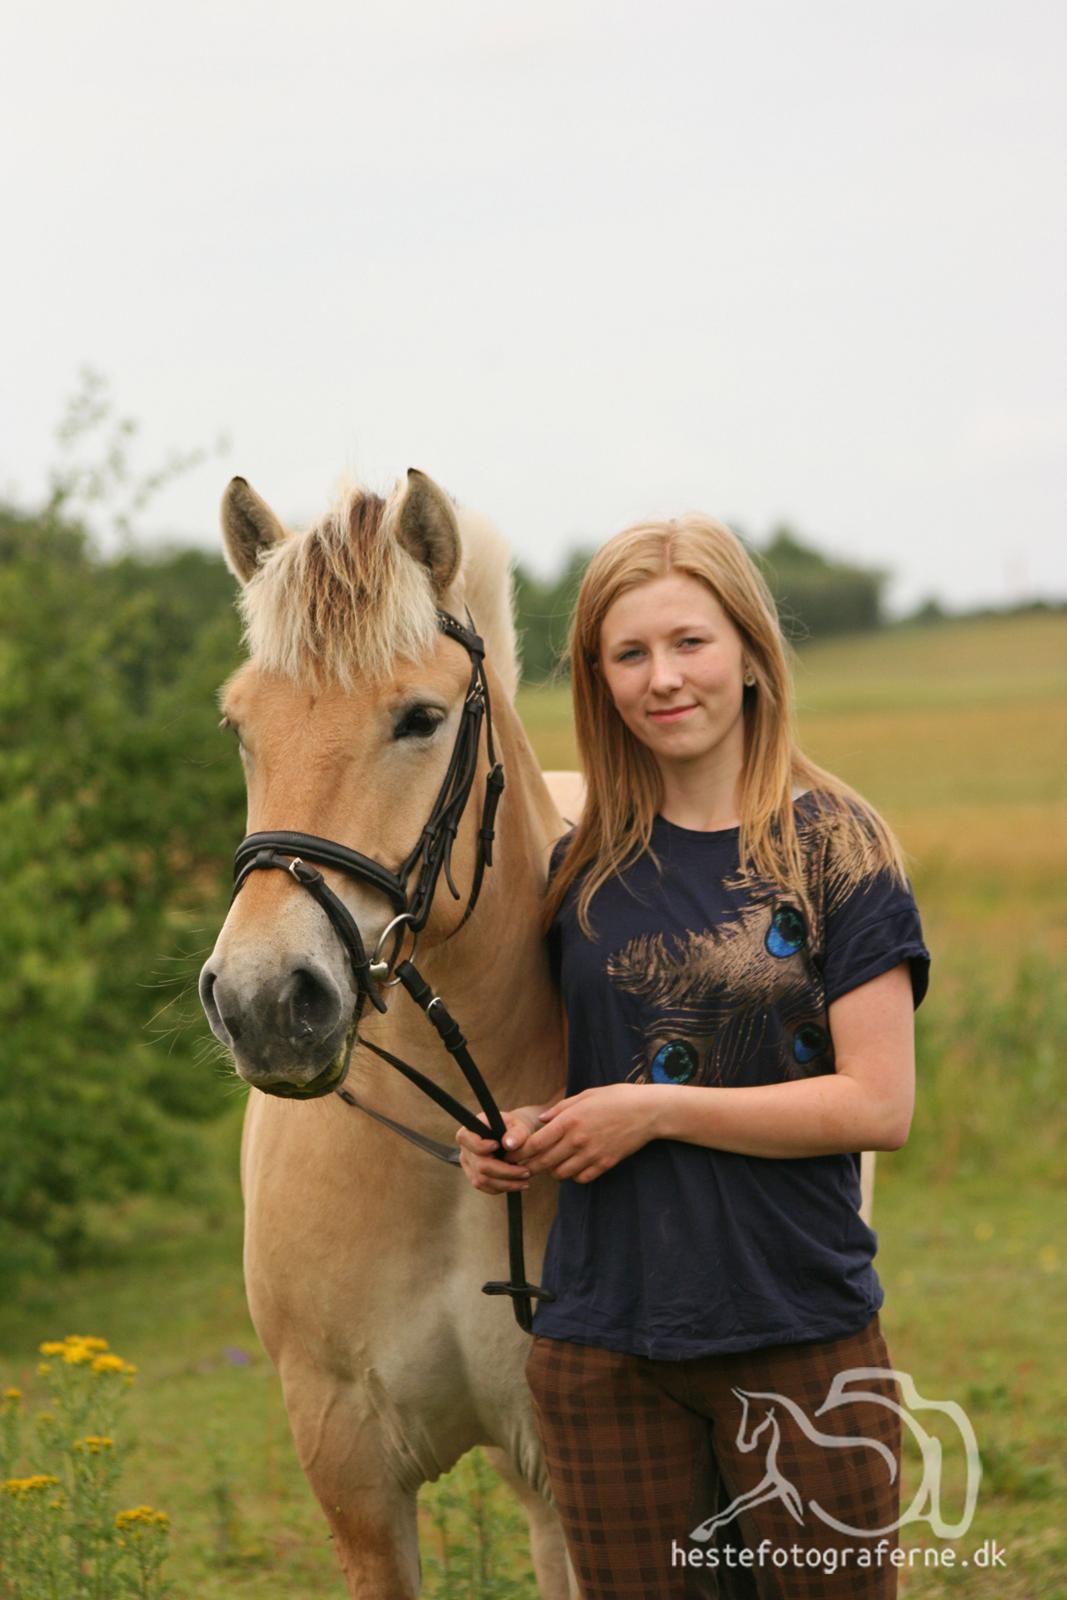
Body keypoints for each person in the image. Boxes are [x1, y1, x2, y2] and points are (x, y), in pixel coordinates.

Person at [456, 513, 930, 1599]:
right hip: (600, 1352)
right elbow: (595, 1075)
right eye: (629, 653)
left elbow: (875, 1103)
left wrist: (653, 1111)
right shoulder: (587, 866)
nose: (662, 679)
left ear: (752, 656)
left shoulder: (835, 846)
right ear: (598, 677)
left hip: (797, 1336)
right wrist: (525, 1133)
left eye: (688, 643)